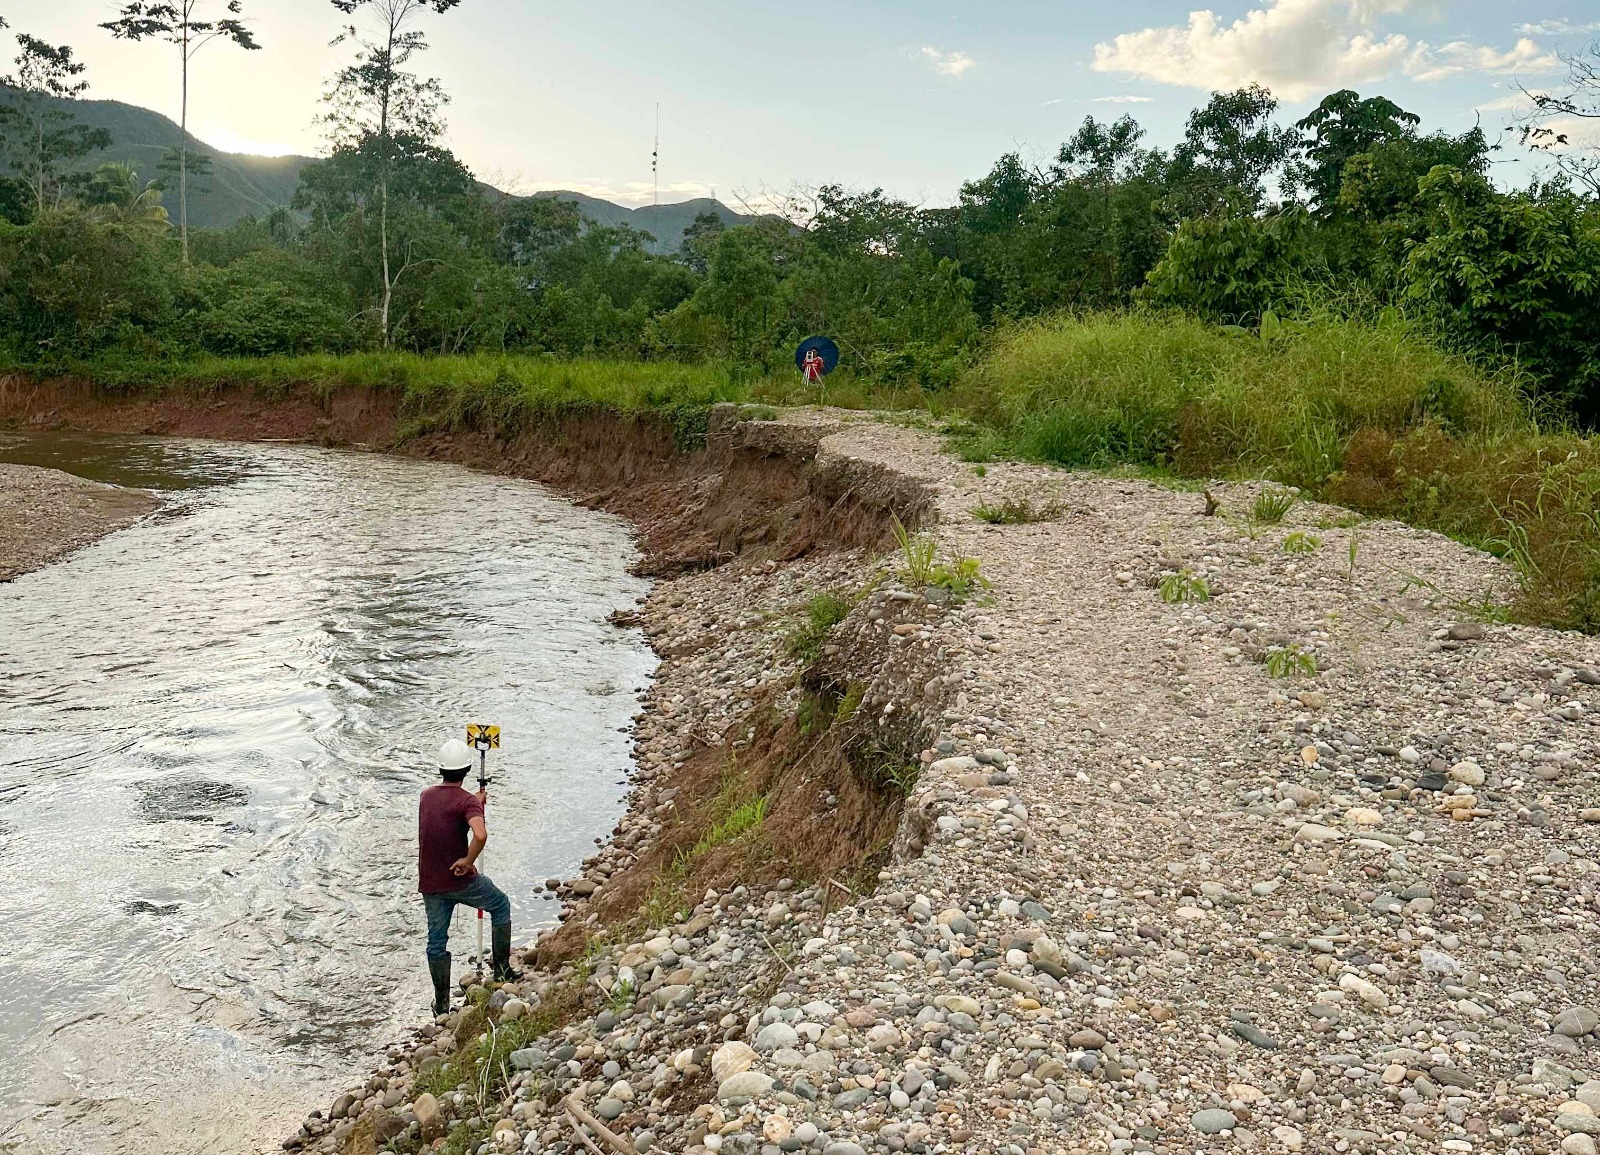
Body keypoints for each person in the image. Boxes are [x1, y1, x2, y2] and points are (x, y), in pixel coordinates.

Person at [419, 738, 518, 1016]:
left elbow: (445, 814)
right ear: (467, 770)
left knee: (436, 942)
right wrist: (468, 860)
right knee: (500, 905)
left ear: (441, 770)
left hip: (431, 883)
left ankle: (441, 1005)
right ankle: (502, 971)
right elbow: (480, 833)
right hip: (461, 880)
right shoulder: (466, 802)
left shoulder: (426, 796)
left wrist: (473, 802)